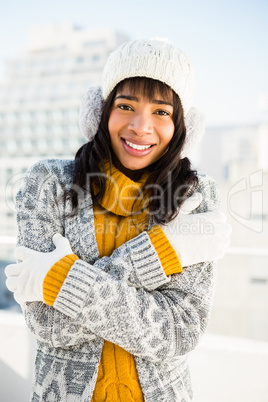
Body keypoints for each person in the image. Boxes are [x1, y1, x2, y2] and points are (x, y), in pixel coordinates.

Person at [5, 38, 231, 401]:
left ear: (182, 126)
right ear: (101, 111)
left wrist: (61, 279)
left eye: (161, 112)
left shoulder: (195, 194)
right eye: (126, 106)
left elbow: (178, 333)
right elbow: (47, 325)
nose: (141, 127)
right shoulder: (48, 182)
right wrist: (162, 251)